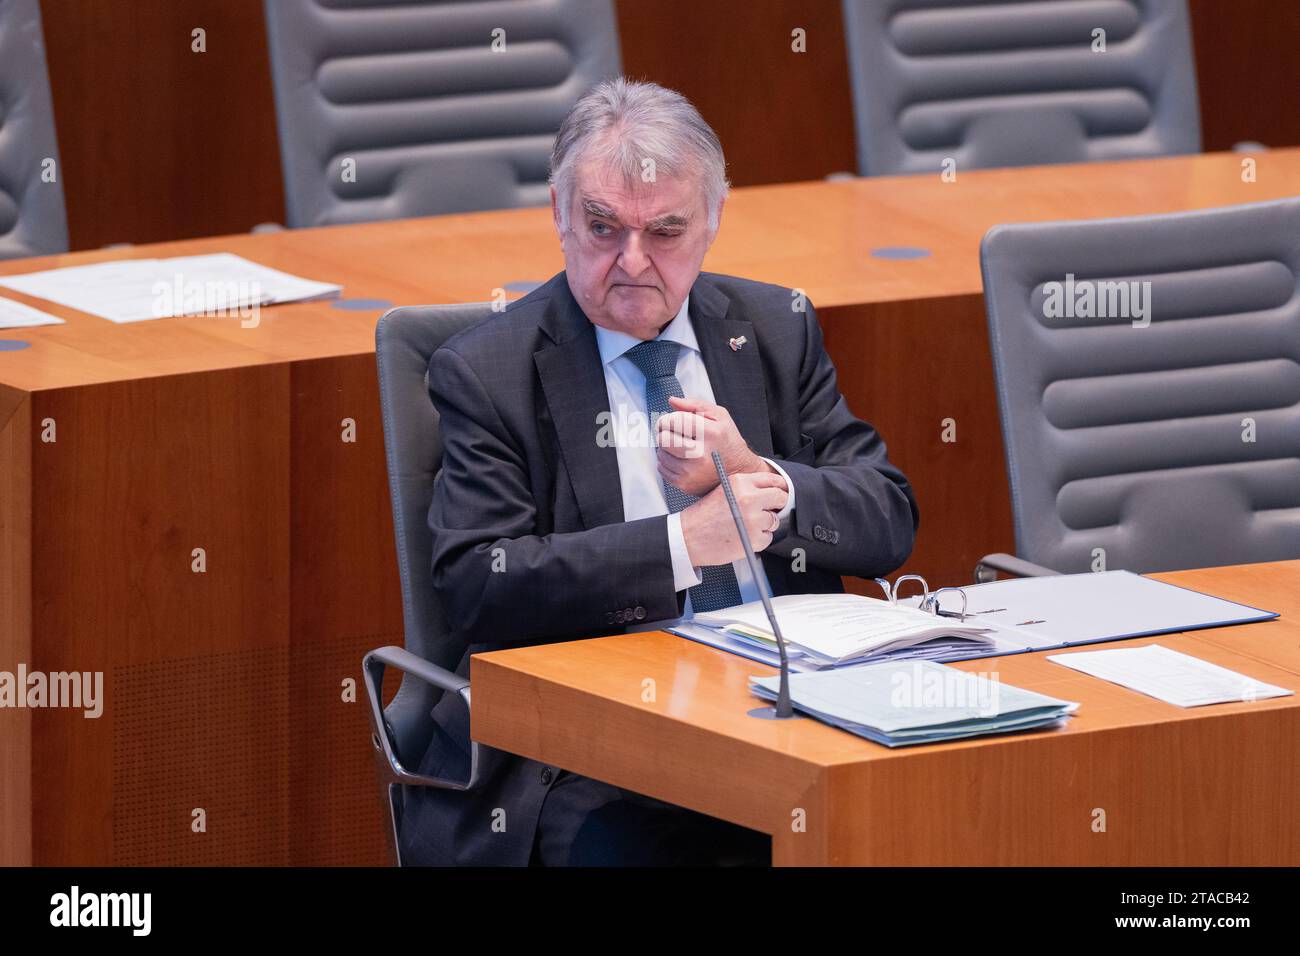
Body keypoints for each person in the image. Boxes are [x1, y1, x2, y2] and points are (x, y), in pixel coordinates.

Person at [399, 78, 919, 866]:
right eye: (603, 227)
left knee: (935, 815)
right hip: (592, 749)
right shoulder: (487, 371)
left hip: (786, 714)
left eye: (665, 232)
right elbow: (479, 584)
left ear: (713, 219)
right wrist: (686, 542)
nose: (631, 262)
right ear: (558, 214)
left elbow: (888, 517)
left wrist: (761, 479)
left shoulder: (774, 328)